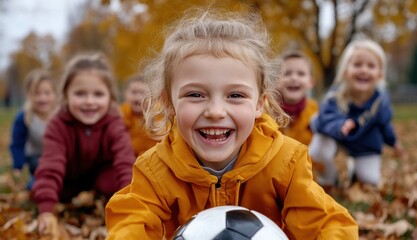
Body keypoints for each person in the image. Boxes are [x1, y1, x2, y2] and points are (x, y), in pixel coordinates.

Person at [105, 10, 358, 239]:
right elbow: (131, 219)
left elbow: (327, 222)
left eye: (235, 95)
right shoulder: (156, 170)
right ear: (168, 103)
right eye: (195, 95)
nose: (215, 112)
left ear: (260, 104)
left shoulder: (286, 163)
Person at [31, 53, 136, 237]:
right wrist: (46, 209)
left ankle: (108, 197)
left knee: (116, 177)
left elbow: (125, 161)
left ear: (110, 97)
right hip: (68, 177)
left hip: (100, 176)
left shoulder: (114, 122)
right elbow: (51, 164)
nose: (89, 101)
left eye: (98, 94)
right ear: (66, 95)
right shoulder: (58, 125)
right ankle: (45, 196)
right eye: (80, 94)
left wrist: (129, 203)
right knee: (38, 186)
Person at [309, 39, 403, 188]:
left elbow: (385, 124)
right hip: (335, 135)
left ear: (379, 74)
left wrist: (393, 142)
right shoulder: (334, 96)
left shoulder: (380, 102)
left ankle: (355, 169)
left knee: (370, 181)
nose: (364, 70)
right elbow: (328, 117)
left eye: (371, 66)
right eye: (357, 64)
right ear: (346, 70)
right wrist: (340, 124)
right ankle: (329, 178)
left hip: (364, 141)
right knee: (317, 150)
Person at [9, 69, 57, 190]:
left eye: (47, 93)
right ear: (29, 95)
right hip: (37, 158)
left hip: (58, 155)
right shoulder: (25, 117)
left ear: (54, 94)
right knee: (40, 167)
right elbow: (17, 144)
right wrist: (18, 167)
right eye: (37, 93)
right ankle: (37, 182)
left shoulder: (59, 115)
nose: (42, 98)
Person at [276, 51, 318, 146]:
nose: (294, 78)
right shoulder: (267, 112)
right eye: (287, 73)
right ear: (276, 80)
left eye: (301, 74)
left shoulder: (316, 112)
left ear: (311, 82)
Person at [120, 75, 160, 156]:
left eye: (142, 93)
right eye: (134, 92)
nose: (137, 98)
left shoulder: (160, 116)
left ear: (152, 96)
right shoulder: (120, 115)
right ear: (125, 94)